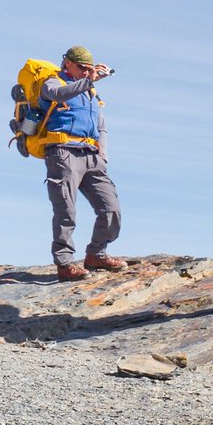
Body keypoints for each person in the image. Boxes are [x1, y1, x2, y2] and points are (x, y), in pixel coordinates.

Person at [42, 46, 125, 281]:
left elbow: (101, 125)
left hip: (91, 155)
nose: (87, 72)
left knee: (111, 209)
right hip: (63, 153)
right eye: (82, 68)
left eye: (89, 68)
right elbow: (57, 95)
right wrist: (89, 80)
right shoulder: (53, 82)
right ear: (68, 63)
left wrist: (103, 155)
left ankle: (96, 254)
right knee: (65, 210)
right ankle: (65, 264)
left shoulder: (90, 91)